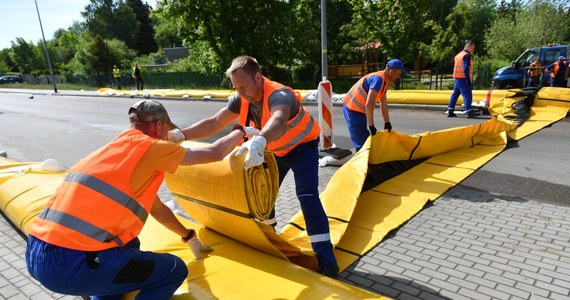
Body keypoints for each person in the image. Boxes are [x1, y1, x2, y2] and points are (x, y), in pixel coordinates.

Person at [26, 100, 248, 299]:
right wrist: (241, 130)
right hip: (72, 264)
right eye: (167, 130)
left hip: (36, 253)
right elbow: (215, 153)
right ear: (159, 126)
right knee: (174, 270)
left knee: (132, 245)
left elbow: (157, 209)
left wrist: (189, 236)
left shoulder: (116, 148)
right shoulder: (152, 147)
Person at [168, 55, 339, 277]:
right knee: (262, 198)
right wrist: (182, 134)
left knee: (307, 197)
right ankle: (272, 245)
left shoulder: (280, 94)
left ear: (258, 77)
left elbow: (278, 118)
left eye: (243, 86)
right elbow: (215, 122)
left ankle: (327, 262)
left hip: (301, 148)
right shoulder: (242, 97)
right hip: (273, 149)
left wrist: (260, 140)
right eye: (236, 88)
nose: (240, 93)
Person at [342, 59, 407, 152]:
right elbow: (369, 104)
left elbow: (384, 104)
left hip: (359, 110)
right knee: (362, 142)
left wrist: (387, 123)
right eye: (399, 74)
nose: (399, 77)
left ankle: (366, 162)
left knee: (365, 141)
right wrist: (371, 125)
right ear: (391, 71)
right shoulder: (378, 79)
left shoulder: (385, 82)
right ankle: (362, 164)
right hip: (351, 109)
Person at [447, 40, 476, 118]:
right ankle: (469, 112)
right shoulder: (466, 55)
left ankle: (450, 110)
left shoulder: (458, 55)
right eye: (472, 48)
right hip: (463, 78)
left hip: (457, 77)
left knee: (455, 94)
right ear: (468, 47)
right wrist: (467, 79)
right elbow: (465, 67)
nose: (473, 50)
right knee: (467, 95)